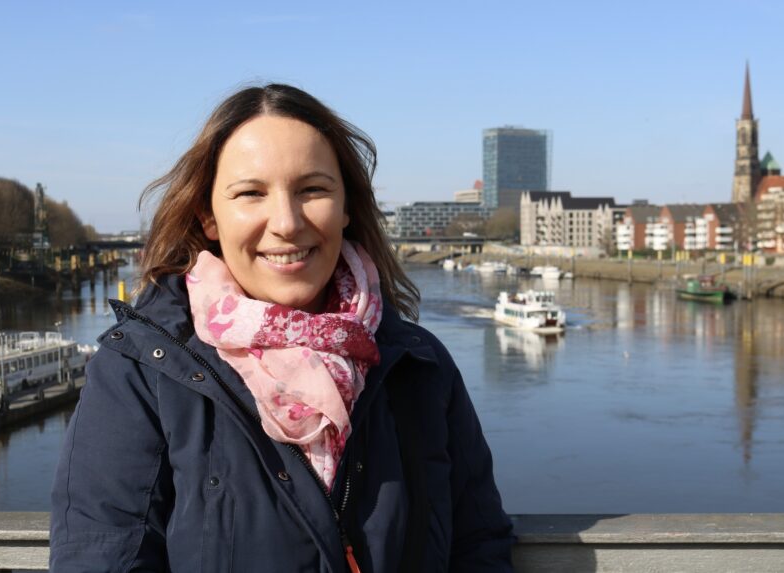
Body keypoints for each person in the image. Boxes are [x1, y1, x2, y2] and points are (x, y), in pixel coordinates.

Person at [50, 83, 514, 572]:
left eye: (312, 189)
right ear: (208, 215)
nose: (287, 223)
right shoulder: (141, 372)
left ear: (347, 206)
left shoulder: (419, 365)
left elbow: (478, 545)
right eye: (251, 193)